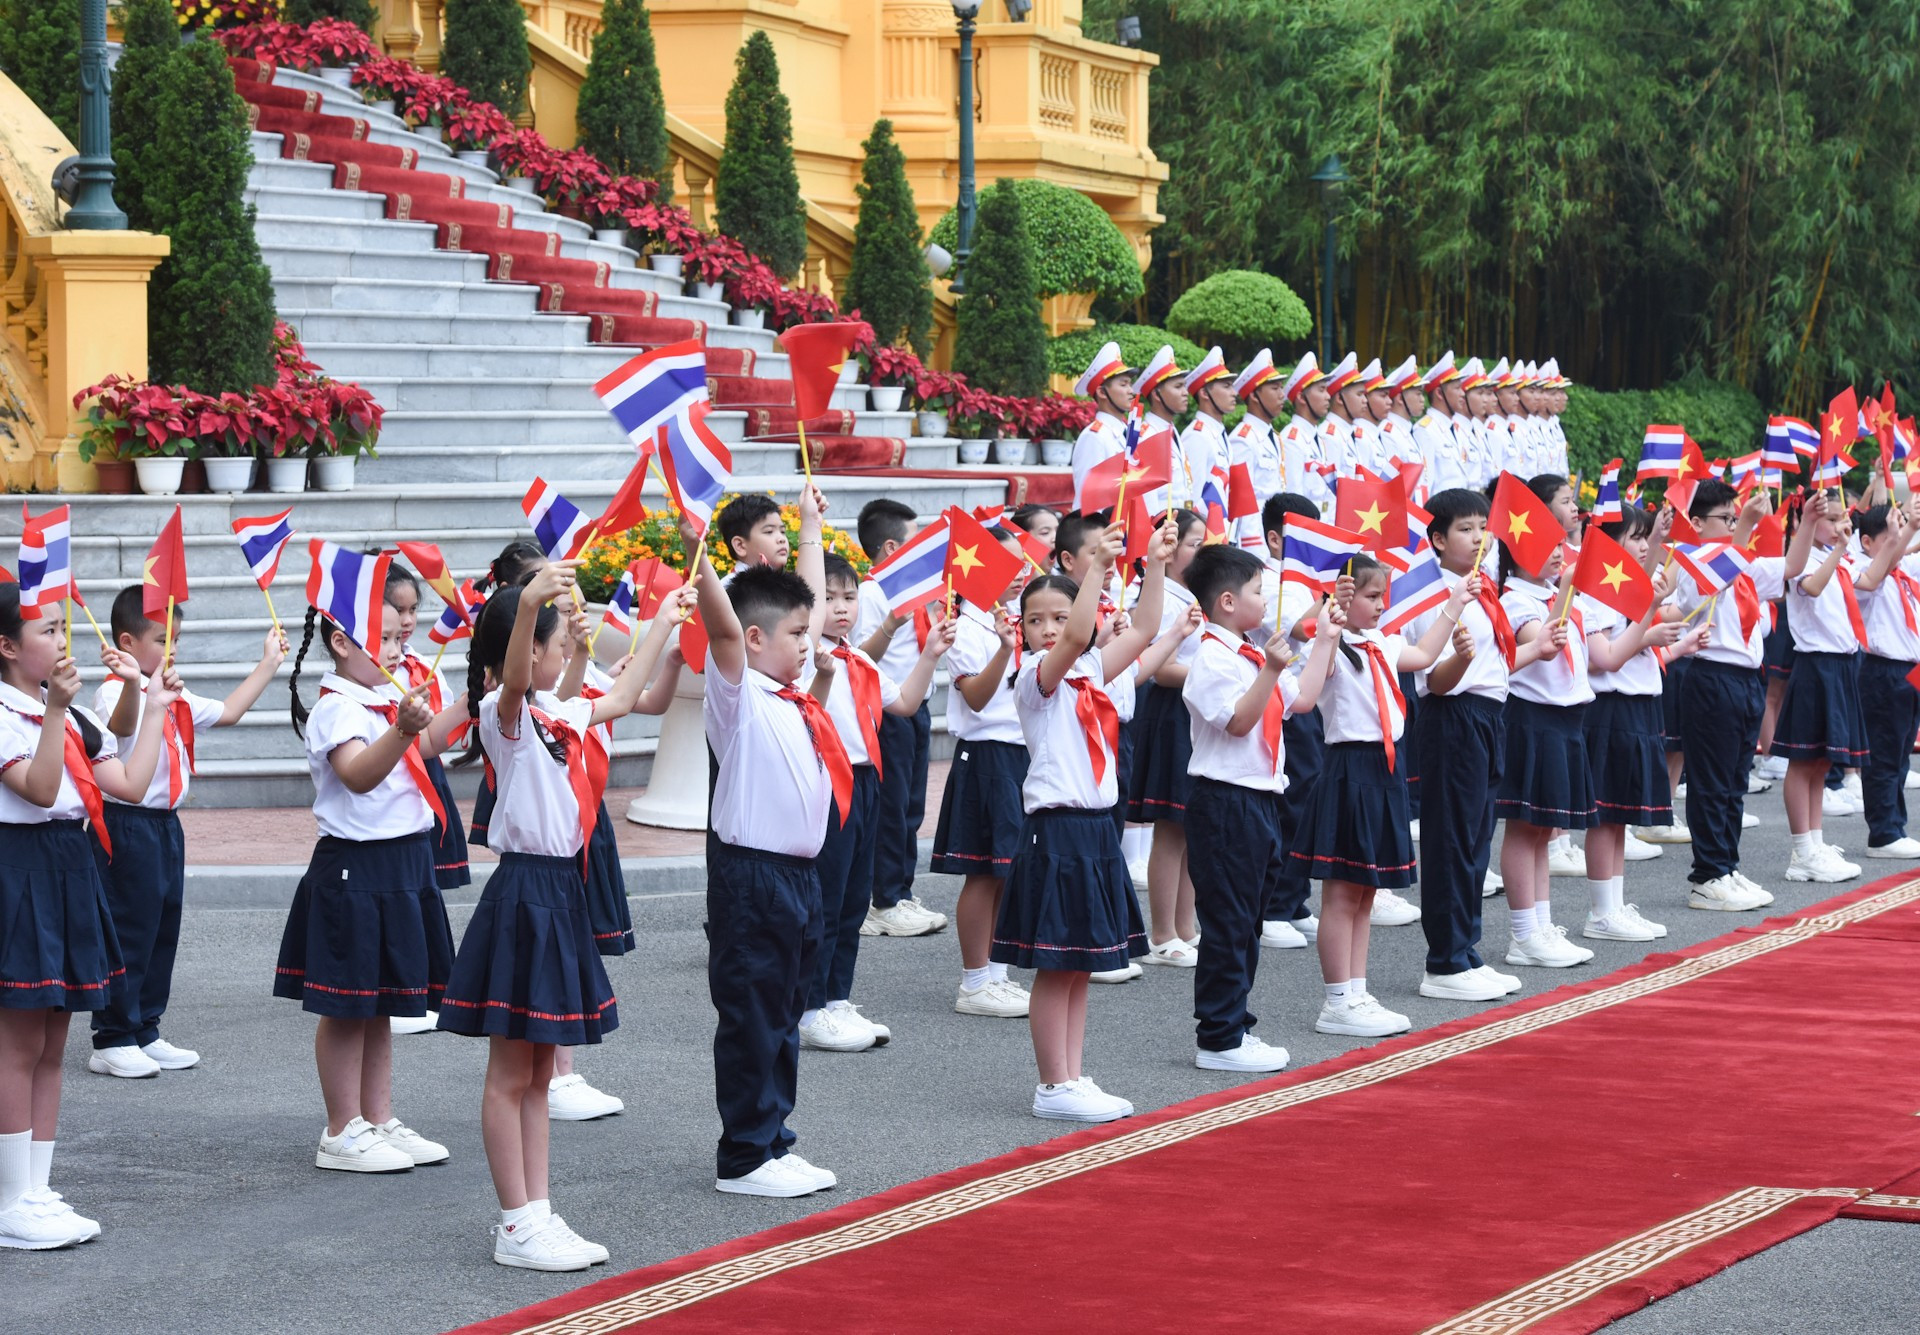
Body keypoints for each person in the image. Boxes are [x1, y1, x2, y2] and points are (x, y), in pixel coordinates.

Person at [441, 562, 692, 1271]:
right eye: (554, 646)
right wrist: (528, 603)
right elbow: (517, 677)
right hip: (524, 892)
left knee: (540, 1073)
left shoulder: (560, 712)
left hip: (560, 893)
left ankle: (538, 1211)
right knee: (510, 1072)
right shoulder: (507, 716)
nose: (561, 655)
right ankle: (515, 1222)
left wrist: (664, 621)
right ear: (526, 651)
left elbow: (624, 695)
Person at [0, 588, 178, 1249]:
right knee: (18, 1044)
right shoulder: (11, 713)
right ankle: (10, 1198)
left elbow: (129, 783)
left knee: (52, 1043)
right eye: (47, 630)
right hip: (19, 868)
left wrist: (152, 705)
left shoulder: (70, 714)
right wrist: (54, 710)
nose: (62, 639)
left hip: (70, 869)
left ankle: (35, 1188)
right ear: (7, 646)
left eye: (62, 627)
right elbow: (41, 788)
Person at [276, 599, 467, 1174]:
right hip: (354, 870)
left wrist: (469, 702)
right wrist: (403, 729)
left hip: (402, 864)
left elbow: (425, 748)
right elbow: (358, 775)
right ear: (341, 644)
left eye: (397, 639)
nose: (396, 649)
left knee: (381, 1002)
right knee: (346, 1006)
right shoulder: (337, 708)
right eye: (383, 639)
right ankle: (341, 1130)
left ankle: (376, 1119)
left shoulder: (380, 697)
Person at [994, 519, 1173, 1122]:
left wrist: (1155, 564)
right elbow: (1074, 638)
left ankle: (1071, 1074)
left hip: (1096, 827)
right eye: (1034, 620)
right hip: (1058, 828)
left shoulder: (1091, 669)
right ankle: (1053, 1085)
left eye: (1057, 616)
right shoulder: (1033, 677)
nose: (1047, 628)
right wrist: (1096, 568)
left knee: (1080, 964)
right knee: (1057, 962)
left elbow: (1144, 628)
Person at [696, 483, 847, 1197]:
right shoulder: (739, 691)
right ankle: (745, 1156)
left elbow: (801, 599)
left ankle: (774, 1137)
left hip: (797, 876)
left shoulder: (793, 695)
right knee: (753, 1014)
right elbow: (726, 631)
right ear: (756, 640)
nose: (807, 644)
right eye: (794, 635)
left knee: (785, 1013)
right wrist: (698, 558)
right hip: (753, 876)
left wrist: (810, 529)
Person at [86, 588, 285, 1079]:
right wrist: (138, 687)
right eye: (162, 640)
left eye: (176, 640)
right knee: (129, 931)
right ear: (127, 642)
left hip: (165, 825)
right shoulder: (114, 690)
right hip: (125, 824)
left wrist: (269, 663)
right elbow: (121, 726)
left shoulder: (172, 688)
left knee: (161, 930)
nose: (172, 649)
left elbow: (229, 712)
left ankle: (145, 1029)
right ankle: (112, 1036)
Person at [1297, 555, 1477, 1035]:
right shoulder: (1329, 644)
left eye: (1383, 596)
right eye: (1371, 596)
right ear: (1346, 597)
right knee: (1342, 892)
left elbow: (1424, 654)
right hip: (1349, 768)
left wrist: (1456, 605)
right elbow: (1310, 687)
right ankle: (1337, 1001)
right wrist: (1330, 620)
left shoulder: (1383, 641)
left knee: (1366, 892)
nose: (1380, 605)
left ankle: (1356, 992)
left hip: (1386, 770)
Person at [1182, 544, 1337, 1072]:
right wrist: (1271, 668)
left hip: (1261, 798)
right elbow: (1238, 721)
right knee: (1229, 922)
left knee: (1248, 921)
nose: (1265, 600)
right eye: (1256, 591)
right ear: (1227, 601)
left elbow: (1303, 701)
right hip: (1225, 801)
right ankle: (1219, 1037)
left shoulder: (1250, 652)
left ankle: (1233, 1025)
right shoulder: (1212, 656)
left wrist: (1325, 640)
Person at [799, 554, 953, 1054]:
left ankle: (837, 998)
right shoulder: (804, 657)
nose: (842, 607)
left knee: (853, 900)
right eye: (829, 598)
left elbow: (904, 703)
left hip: (867, 783)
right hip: (831, 782)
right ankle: (810, 1008)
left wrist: (930, 654)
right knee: (826, 899)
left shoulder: (860, 659)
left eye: (849, 597)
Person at [1408, 488, 1530, 1001]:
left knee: (1477, 840)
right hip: (1453, 717)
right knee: (1452, 840)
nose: (1479, 537)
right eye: (1465, 529)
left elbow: (1496, 663)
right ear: (1438, 539)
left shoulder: (1481, 589)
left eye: (1483, 527)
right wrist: (1458, 658)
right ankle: (1445, 961)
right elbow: (1434, 680)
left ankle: (1466, 950)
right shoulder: (1432, 595)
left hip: (1488, 716)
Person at [1579, 505, 1704, 942]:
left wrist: (1659, 540)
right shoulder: (1597, 592)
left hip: (1636, 705)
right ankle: (1601, 911)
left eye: (1644, 537)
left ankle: (1614, 905)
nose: (1644, 545)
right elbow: (1600, 658)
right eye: (1634, 537)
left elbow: (1639, 596)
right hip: (1611, 708)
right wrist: (1648, 636)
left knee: (1619, 816)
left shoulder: (1622, 585)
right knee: (1606, 814)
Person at [932, 530, 1035, 1019]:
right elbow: (975, 696)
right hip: (986, 755)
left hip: (1019, 753)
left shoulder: (1016, 618)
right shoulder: (965, 626)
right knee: (984, 870)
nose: (1020, 572)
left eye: (1022, 562)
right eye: (1005, 564)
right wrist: (1003, 649)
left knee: (1007, 870)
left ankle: (996, 973)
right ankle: (974, 981)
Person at [1494, 476, 1596, 969]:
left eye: (1560, 544)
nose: (1559, 553)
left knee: (1545, 830)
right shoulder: (1516, 600)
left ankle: (1541, 925)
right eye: (1546, 546)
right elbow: (1542, 642)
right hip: (1532, 721)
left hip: (1564, 721)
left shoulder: (1552, 594)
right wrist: (1568, 590)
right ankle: (1523, 934)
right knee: (1525, 826)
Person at [1774, 490, 1901, 882]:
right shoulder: (1801, 559)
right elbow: (1812, 587)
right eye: (1828, 519)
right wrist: (1840, 548)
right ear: (1807, 521)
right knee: (1803, 761)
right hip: (1816, 665)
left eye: (1839, 517)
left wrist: (1897, 537)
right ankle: (1802, 851)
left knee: (1822, 760)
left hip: (1843, 665)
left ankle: (1815, 843)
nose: (1838, 524)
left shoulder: (1838, 555)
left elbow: (1871, 578)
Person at [1668, 479, 1782, 909]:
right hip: (1712, 676)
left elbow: (1791, 568)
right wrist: (1745, 527)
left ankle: (1727, 866)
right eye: (1726, 518)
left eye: (1736, 518)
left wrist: (1807, 521)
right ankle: (1708, 874)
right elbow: (1712, 582)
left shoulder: (1742, 560)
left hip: (1748, 678)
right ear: (1697, 522)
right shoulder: (1692, 560)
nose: (1735, 525)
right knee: (1712, 782)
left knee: (1735, 782)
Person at [852, 499, 948, 938]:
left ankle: (900, 890)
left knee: (910, 806)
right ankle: (883, 899)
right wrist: (892, 625)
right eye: (916, 539)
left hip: (915, 708)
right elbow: (861, 657)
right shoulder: (872, 594)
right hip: (888, 712)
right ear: (891, 547)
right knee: (891, 808)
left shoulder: (913, 591)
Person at [1126, 508, 1208, 966]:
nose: (1202, 552)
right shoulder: (1161, 596)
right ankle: (1161, 934)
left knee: (1192, 826)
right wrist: (1214, 672)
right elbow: (1159, 667)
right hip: (1172, 712)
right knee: (1171, 827)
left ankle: (1185, 927)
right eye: (1195, 544)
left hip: (1196, 712)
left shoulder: (1195, 594)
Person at [1852, 500, 1920, 859]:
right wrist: (1907, 530)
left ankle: (1895, 826)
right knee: (1884, 755)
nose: (1897, 540)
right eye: (1889, 535)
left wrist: (1911, 526)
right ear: (1867, 542)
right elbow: (1885, 565)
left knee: (1901, 754)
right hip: (1882, 670)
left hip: (1911, 671)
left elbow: (1902, 556)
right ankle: (1883, 833)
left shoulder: (1905, 569)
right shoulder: (1863, 569)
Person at [1069, 340, 1134, 510]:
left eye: (1130, 384)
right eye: (1123, 384)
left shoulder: (1127, 432)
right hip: (1107, 524)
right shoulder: (1094, 437)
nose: (1131, 391)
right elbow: (1089, 500)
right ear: (1102, 392)